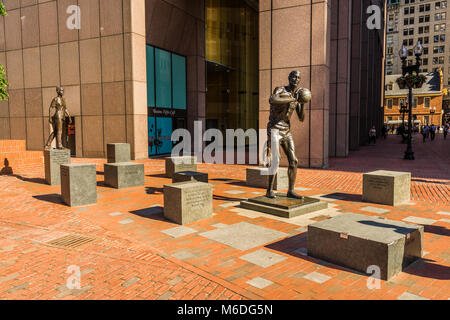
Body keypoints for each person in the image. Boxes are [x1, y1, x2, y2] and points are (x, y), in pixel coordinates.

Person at [265, 71, 310, 200]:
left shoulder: (297, 97)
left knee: (294, 160)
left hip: (286, 130)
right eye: (294, 76)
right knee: (276, 160)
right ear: (289, 78)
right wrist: (293, 98)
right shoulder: (281, 89)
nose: (296, 79)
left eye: (298, 78)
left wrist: (302, 103)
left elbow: (301, 118)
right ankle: (269, 190)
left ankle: (291, 190)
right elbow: (272, 99)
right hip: (274, 128)